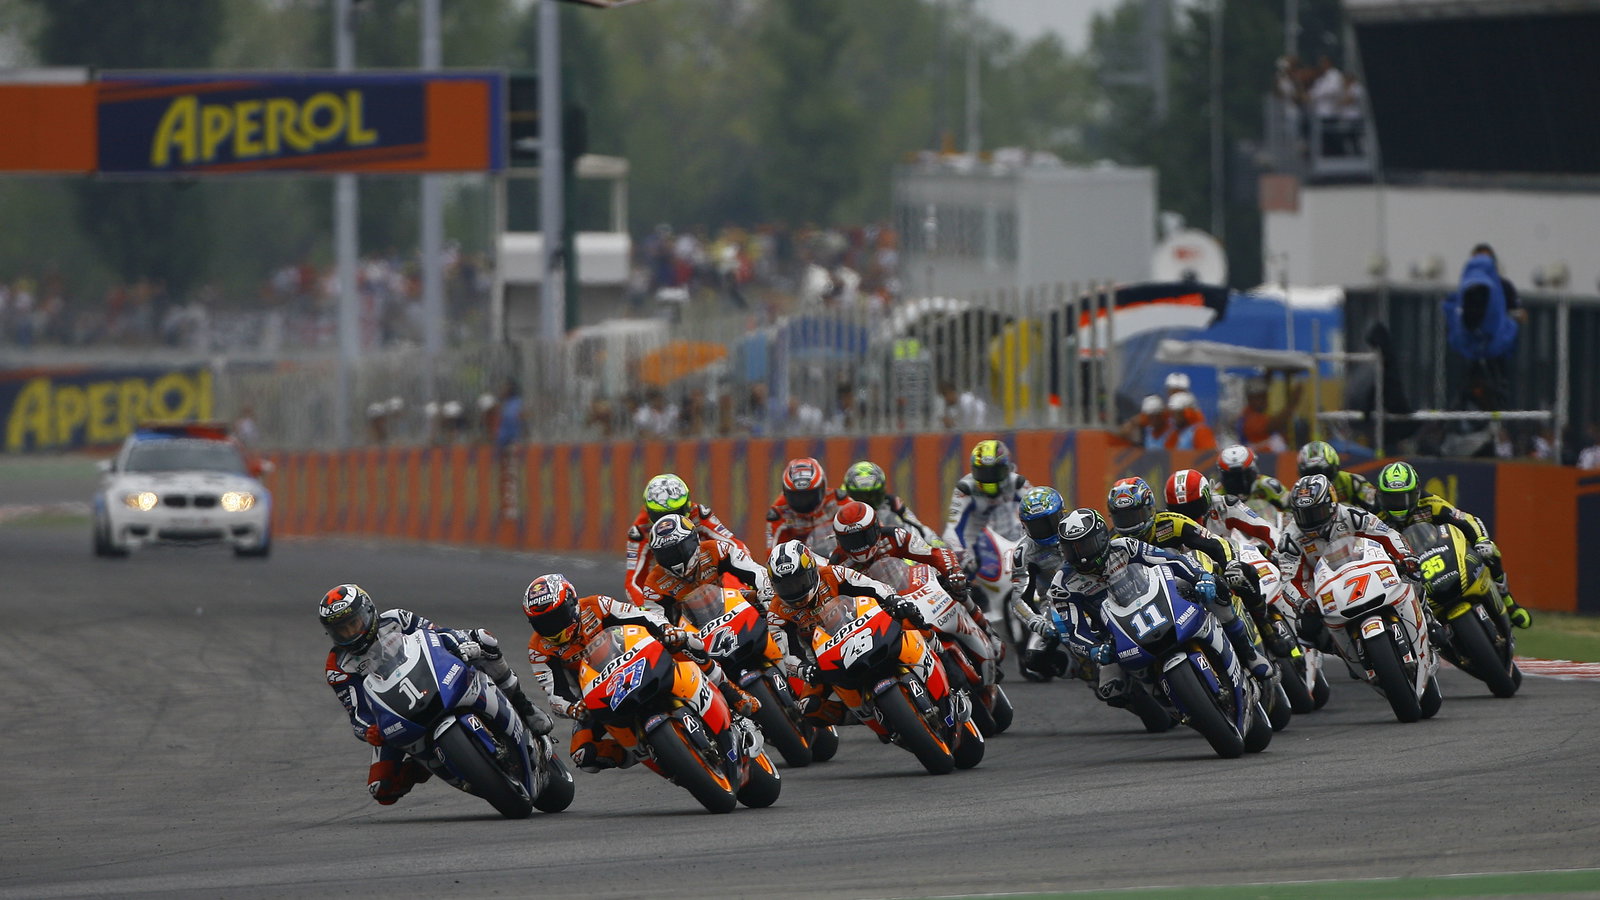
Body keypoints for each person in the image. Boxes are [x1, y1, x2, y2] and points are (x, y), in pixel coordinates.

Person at [320, 583, 554, 806]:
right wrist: (369, 731)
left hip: (434, 677)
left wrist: (460, 643)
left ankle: (524, 706)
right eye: (341, 630)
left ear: (369, 612)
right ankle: (428, 763)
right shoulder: (338, 666)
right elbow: (357, 713)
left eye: (353, 623)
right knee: (382, 788)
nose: (350, 633)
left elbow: (436, 634)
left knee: (485, 639)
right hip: (398, 714)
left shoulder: (396, 619)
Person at [520, 573, 758, 774]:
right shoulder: (538, 648)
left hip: (639, 659)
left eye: (556, 617)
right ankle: (644, 753)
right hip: (600, 694)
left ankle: (731, 693)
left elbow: (640, 615)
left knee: (688, 642)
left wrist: (666, 629)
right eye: (543, 623)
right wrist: (573, 708)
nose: (552, 628)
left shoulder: (597, 605)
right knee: (583, 755)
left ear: (572, 604)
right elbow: (555, 693)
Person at [1021, 509, 1261, 706]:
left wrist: (1201, 577)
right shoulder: (1062, 583)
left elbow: (1171, 559)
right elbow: (1072, 630)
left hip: (1157, 601)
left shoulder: (1124, 546)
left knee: (1216, 588)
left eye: (1085, 546)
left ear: (1102, 538)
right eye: (1072, 549)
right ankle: (1159, 696)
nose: (1081, 556)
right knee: (1111, 689)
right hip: (1115, 633)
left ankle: (1249, 653)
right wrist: (1094, 649)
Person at [765, 540, 930, 743]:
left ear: (812, 571)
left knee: (912, 618)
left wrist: (895, 600)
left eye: (798, 581)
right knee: (808, 707)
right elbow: (783, 653)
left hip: (865, 629)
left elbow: (872, 586)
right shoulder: (776, 611)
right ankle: (864, 717)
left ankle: (939, 658)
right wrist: (803, 670)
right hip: (826, 659)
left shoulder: (832, 574)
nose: (794, 591)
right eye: (785, 586)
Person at [1104, 478, 1274, 672]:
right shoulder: (1112, 543)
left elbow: (1215, 543)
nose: (1131, 524)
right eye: (1123, 518)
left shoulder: (1170, 521)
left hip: (1188, 579)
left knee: (1232, 578)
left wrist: (1231, 564)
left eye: (1136, 515)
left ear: (1150, 508)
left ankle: (1249, 652)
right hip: (1147, 600)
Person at [830, 500, 999, 658]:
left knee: (957, 589)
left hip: (912, 588)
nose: (859, 545)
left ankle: (989, 633)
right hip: (882, 612)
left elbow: (934, 554)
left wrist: (953, 571)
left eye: (863, 537)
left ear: (875, 529)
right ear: (839, 540)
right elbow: (836, 604)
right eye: (851, 540)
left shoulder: (894, 536)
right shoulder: (837, 563)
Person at [1372, 461, 1532, 628]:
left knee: (1490, 550)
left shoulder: (1430, 502)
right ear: (1380, 496)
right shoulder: (1376, 517)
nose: (1399, 504)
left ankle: (1509, 602)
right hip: (1408, 572)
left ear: (1417, 492)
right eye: (1391, 498)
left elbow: (1467, 520)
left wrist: (1481, 540)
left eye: (1404, 497)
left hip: (1441, 555)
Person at [1274, 475, 1419, 646]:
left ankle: (1428, 618)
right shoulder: (1290, 538)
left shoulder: (1353, 515)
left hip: (1365, 568)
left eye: (1316, 513)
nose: (1310, 520)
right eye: (1303, 515)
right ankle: (1339, 647)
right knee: (1306, 628)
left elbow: (1387, 534)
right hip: (1321, 584)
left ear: (1332, 505)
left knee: (1412, 575)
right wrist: (1303, 601)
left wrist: (1405, 556)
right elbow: (1289, 579)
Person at [623, 473, 744, 606]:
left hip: (705, 572)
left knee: (732, 571)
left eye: (676, 512)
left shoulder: (698, 513)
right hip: (668, 584)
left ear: (687, 505)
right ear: (649, 511)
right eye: (661, 515)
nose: (669, 522)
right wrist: (645, 609)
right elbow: (633, 582)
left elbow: (734, 545)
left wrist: (746, 579)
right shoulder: (640, 530)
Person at [639, 514, 776, 626]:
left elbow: (756, 571)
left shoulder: (717, 549)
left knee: (761, 600)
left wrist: (766, 593)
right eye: (666, 555)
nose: (673, 559)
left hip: (729, 610)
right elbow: (656, 621)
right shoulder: (653, 584)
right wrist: (671, 634)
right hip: (693, 633)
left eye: (679, 550)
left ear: (694, 541)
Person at [1444, 244, 1523, 412]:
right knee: (1467, 386)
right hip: (1471, 349)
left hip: (1493, 351)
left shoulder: (1502, 287)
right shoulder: (1466, 288)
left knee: (1496, 388)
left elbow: (1518, 314)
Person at [1011, 486, 1071, 680]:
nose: (1044, 530)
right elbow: (1018, 598)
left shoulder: (1078, 529)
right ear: (1025, 526)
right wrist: (1035, 621)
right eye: (1036, 525)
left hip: (1091, 592)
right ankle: (1077, 669)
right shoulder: (1023, 551)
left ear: (1062, 514)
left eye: (1048, 522)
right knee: (1033, 660)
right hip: (1055, 605)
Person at [943, 439, 1035, 565]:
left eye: (995, 472)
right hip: (975, 551)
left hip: (1012, 544)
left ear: (1006, 468)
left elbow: (1037, 508)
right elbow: (952, 529)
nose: (990, 478)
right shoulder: (965, 488)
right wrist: (961, 555)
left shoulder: (1017, 482)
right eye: (984, 473)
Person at [1165, 468, 1277, 554]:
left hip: (1228, 565)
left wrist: (1280, 551)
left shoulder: (1226, 505)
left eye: (1193, 506)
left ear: (1207, 495)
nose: (1187, 515)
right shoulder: (1165, 522)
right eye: (1179, 510)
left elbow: (1264, 529)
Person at [836, 459, 940, 546]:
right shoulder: (840, 510)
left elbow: (917, 526)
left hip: (892, 554)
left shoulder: (892, 502)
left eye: (872, 495)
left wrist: (936, 543)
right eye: (860, 498)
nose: (867, 504)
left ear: (882, 491)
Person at [766, 457, 841, 552]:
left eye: (810, 496)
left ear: (822, 488)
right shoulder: (778, 511)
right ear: (786, 493)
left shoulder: (837, 499)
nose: (804, 502)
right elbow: (770, 548)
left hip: (834, 553)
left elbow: (855, 518)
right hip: (799, 556)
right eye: (797, 497)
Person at [1296, 440, 1379, 512]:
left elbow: (1376, 507)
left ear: (1335, 467)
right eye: (1311, 474)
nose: (1320, 479)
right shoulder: (1298, 491)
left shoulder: (1353, 481)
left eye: (1324, 472)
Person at [1236, 374, 1302, 454]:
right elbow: (1276, 423)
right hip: (1261, 459)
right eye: (1259, 397)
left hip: (1272, 458)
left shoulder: (1262, 415)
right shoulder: (1249, 418)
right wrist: (1293, 401)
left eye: (1265, 397)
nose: (1263, 401)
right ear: (1250, 398)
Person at [1216, 444, 1291, 511]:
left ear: (1252, 469)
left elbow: (1289, 507)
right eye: (1232, 476)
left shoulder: (1268, 485)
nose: (1237, 482)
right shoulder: (1216, 494)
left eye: (1242, 475)